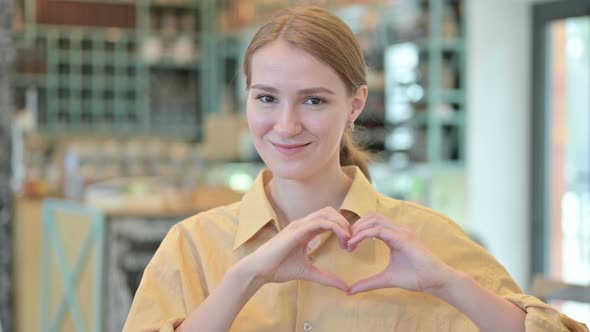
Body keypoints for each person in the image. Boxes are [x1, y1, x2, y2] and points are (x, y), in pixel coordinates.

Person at [123, 6, 588, 332]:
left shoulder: (426, 238)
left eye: (314, 100)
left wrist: (449, 283)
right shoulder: (191, 246)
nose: (285, 125)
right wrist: (245, 278)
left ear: (355, 104)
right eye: (266, 97)